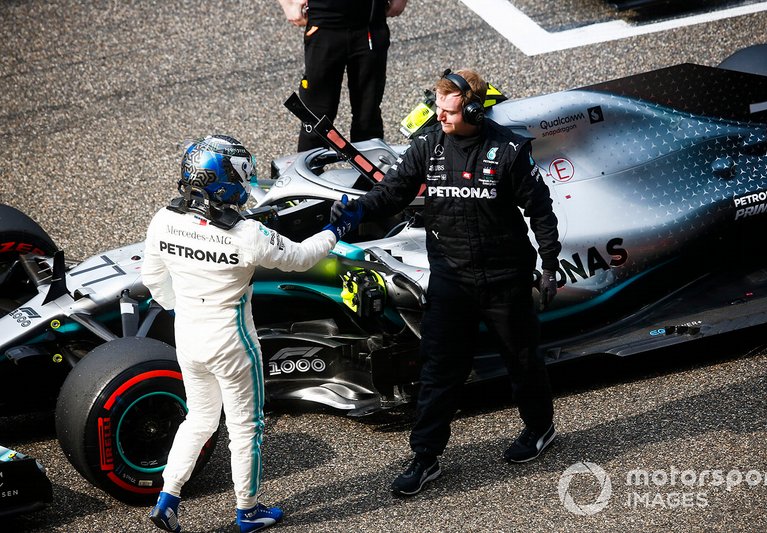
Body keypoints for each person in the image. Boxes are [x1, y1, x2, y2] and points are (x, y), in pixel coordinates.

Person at [330, 69, 562, 497]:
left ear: (473, 109)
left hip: (504, 279)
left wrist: (550, 263)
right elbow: (394, 190)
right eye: (436, 107)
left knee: (523, 360)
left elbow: (541, 210)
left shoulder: (509, 150)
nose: (439, 116)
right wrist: (357, 211)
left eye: (449, 110)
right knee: (437, 370)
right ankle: (425, 456)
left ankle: (540, 428)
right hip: (451, 280)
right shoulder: (429, 144)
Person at [143, 134, 359, 532]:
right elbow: (302, 256)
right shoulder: (247, 236)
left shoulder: (163, 219)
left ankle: (167, 498)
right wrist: (338, 228)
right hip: (232, 341)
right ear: (224, 180)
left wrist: (183, 307)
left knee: (200, 419)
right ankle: (248, 511)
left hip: (188, 334)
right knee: (246, 427)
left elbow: (153, 280)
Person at [278, 0, 407, 152]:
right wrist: (288, 3)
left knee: (368, 116)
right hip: (324, 24)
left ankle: (367, 175)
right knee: (316, 116)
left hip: (369, 26)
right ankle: (308, 174)